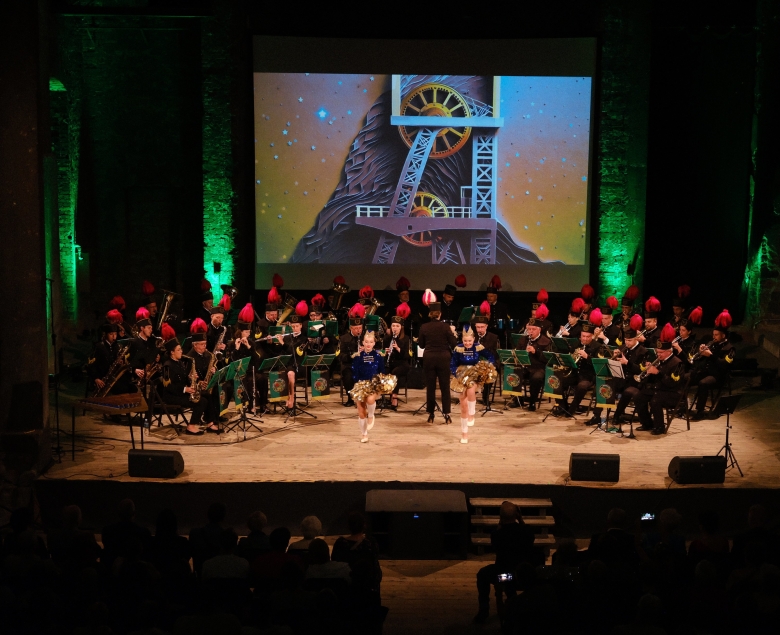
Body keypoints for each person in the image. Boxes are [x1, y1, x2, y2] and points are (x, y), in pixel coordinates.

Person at [473, 502, 537, 624]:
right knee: (509, 575)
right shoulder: (527, 531)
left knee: (482, 574)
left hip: (504, 576)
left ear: (501, 517)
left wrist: (500, 523)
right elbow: (528, 534)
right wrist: (520, 519)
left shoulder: (497, 535)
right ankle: (512, 600)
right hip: (521, 575)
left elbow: (496, 543)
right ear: (517, 515)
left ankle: (484, 611)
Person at [632, 323, 686, 434]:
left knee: (655, 400)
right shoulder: (659, 360)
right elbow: (655, 380)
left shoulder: (677, 363)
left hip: (673, 392)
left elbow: (672, 383)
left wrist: (657, 373)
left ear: (669, 351)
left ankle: (660, 427)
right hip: (659, 389)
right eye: (657, 352)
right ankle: (647, 423)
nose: (658, 355)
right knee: (638, 396)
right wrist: (649, 371)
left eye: (661, 352)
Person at [451, 324, 496, 443]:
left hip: (474, 373)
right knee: (463, 406)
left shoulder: (478, 347)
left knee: (471, 389)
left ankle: (472, 413)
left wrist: (487, 366)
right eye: (465, 341)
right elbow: (453, 364)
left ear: (473, 339)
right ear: (462, 340)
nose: (467, 343)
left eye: (469, 341)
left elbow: (490, 357)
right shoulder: (458, 348)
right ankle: (464, 433)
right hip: (461, 375)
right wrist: (456, 374)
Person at [417, 291, 457, 424]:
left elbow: (421, 345)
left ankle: (431, 414)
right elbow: (454, 344)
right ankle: (447, 414)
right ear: (440, 314)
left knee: (431, 387)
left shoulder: (424, 327)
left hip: (429, 358)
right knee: (445, 386)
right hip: (443, 358)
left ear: (430, 314)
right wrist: (453, 333)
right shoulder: (445, 327)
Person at [349, 330, 394, 442]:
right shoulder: (357, 357)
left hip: (374, 384)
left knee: (370, 400)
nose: (368, 344)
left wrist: (381, 383)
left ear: (374, 343)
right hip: (360, 385)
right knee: (361, 412)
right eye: (366, 342)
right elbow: (354, 373)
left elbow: (382, 371)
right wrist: (357, 385)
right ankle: (364, 434)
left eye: (370, 342)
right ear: (363, 343)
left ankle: (371, 415)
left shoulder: (378, 356)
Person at [690, 309, 735, 421]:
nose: (714, 337)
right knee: (687, 377)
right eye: (713, 334)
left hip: (718, 375)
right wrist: (701, 353)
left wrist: (710, 355)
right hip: (706, 372)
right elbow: (702, 359)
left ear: (723, 335)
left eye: (716, 335)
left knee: (703, 383)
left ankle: (700, 411)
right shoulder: (713, 344)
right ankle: (681, 405)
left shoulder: (730, 349)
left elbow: (724, 364)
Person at [555, 318, 606, 417]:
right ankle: (563, 407)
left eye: (588, 336)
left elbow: (599, 364)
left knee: (581, 387)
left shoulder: (598, 346)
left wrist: (587, 357)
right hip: (574, 374)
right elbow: (571, 358)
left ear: (592, 336)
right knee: (557, 381)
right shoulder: (576, 344)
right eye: (583, 336)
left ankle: (572, 409)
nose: (585, 339)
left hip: (588, 376)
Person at [185, 318, 220, 433]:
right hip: (194, 387)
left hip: (206, 383)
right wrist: (198, 381)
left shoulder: (208, 355)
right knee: (207, 395)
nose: (204, 346)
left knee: (218, 390)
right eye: (201, 344)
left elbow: (211, 367)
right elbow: (187, 377)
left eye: (205, 344)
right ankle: (210, 422)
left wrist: (214, 370)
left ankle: (215, 418)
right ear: (194, 345)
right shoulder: (189, 357)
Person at [86, 323, 132, 396]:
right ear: (105, 335)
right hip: (102, 377)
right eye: (111, 334)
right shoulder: (99, 346)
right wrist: (96, 378)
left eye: (115, 334)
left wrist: (121, 362)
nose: (114, 337)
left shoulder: (118, 346)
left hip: (114, 377)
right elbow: (91, 364)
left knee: (129, 387)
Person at [518, 317, 551, 411]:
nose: (531, 331)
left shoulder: (546, 341)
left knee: (536, 378)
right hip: (526, 366)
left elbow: (548, 359)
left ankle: (532, 402)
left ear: (539, 330)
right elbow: (517, 352)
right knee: (512, 371)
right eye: (529, 329)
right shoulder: (523, 339)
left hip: (539, 367)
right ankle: (518, 400)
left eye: (533, 329)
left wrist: (535, 351)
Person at [383, 303, 412, 409]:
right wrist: (385, 352)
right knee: (383, 370)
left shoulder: (406, 339)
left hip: (403, 364)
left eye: (397, 326)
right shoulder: (387, 338)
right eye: (393, 326)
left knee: (395, 373)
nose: (395, 328)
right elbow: (382, 352)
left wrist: (398, 349)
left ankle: (394, 396)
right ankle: (382, 396)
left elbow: (408, 356)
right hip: (390, 362)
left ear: (401, 327)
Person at [338, 303, 365, 407]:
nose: (358, 331)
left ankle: (365, 397)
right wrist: (351, 356)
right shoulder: (344, 338)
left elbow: (376, 350)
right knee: (348, 376)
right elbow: (340, 356)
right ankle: (350, 398)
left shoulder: (366, 336)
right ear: (351, 328)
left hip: (363, 363)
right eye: (356, 328)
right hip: (349, 364)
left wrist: (366, 350)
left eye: (360, 328)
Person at [484, 275, 510, 341]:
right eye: (488, 296)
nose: (489, 298)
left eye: (491, 296)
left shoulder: (503, 306)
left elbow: (507, 319)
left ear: (496, 297)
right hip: (488, 331)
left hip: (500, 332)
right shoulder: (484, 306)